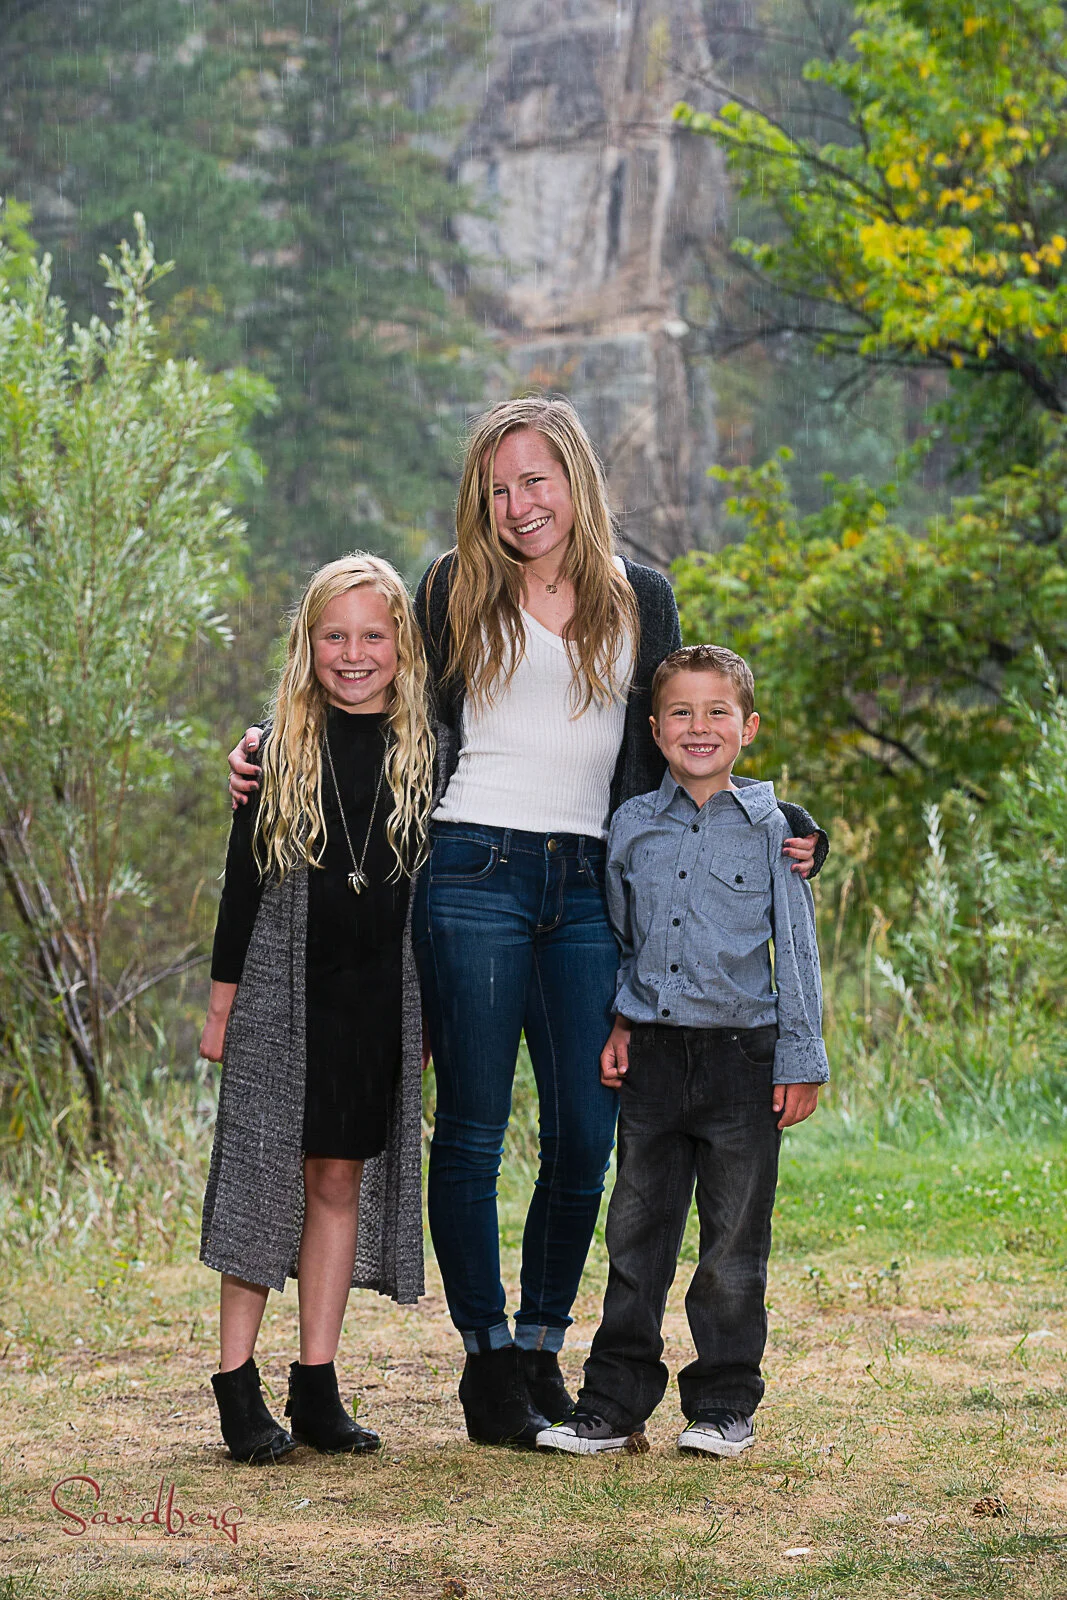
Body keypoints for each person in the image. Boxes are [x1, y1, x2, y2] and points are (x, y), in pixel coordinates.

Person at [228, 397, 827, 1450]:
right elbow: (373, 692)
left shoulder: (641, 596)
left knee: (585, 1132)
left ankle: (544, 1345)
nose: (518, 505)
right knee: (469, 1127)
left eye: (535, 481)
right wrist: (266, 746)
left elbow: (677, 742)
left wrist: (782, 817)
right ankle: (488, 1360)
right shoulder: (451, 587)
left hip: (589, 882)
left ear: (574, 481)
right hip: (471, 871)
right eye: (498, 488)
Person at [537, 644, 828, 1459]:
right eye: (680, 713)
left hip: (743, 1061)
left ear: (747, 727)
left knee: (732, 1248)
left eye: (716, 712)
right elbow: (624, 942)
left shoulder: (777, 831)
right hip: (655, 1063)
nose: (699, 728)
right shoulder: (631, 826)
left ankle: (723, 1405)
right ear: (655, 727)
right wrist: (621, 1025)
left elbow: (795, 950)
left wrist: (800, 1058)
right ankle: (611, 1405)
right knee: (634, 1240)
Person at [200, 553, 433, 1464]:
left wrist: (429, 1021)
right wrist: (220, 1012)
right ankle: (235, 1385)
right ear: (308, 643)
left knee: (337, 1181)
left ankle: (317, 1386)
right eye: (334, 635)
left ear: (401, 645)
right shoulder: (273, 752)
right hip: (281, 996)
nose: (353, 653)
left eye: (372, 635)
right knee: (263, 1186)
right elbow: (239, 887)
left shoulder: (429, 750)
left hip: (374, 1001)